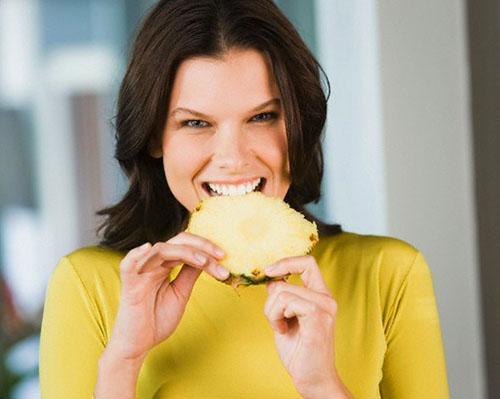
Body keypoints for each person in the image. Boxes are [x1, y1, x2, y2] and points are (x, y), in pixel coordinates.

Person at [39, 0, 450, 398]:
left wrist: (323, 387)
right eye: (196, 123)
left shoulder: (388, 273)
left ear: (298, 125)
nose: (233, 158)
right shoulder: (87, 284)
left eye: (262, 117)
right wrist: (123, 360)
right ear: (153, 137)